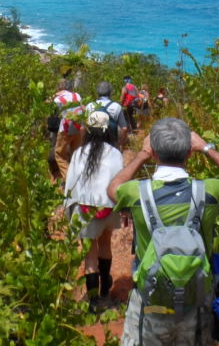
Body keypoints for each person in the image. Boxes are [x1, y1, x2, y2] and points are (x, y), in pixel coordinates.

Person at [108, 117, 219, 346]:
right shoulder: (209, 192)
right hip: (197, 304)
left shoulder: (136, 193)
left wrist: (142, 155)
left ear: (154, 152)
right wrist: (206, 148)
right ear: (189, 153)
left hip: (151, 304)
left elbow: (113, 187)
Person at [65, 109, 125, 311]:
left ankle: (92, 302)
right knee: (105, 246)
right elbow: (119, 183)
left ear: (88, 130)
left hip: (85, 208)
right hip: (109, 207)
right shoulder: (115, 153)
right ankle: (105, 294)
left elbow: (71, 184)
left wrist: (68, 210)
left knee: (90, 255)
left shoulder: (78, 154)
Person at [52, 79, 84, 182]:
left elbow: (47, 102)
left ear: (59, 88)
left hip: (64, 130)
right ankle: (80, 176)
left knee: (59, 154)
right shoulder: (77, 95)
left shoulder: (57, 99)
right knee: (77, 153)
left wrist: (55, 94)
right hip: (77, 127)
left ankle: (69, 177)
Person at [84, 81, 129, 148]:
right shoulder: (117, 106)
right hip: (111, 144)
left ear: (97, 92)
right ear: (110, 92)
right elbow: (124, 129)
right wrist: (120, 143)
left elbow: (83, 127)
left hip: (92, 144)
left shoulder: (89, 106)